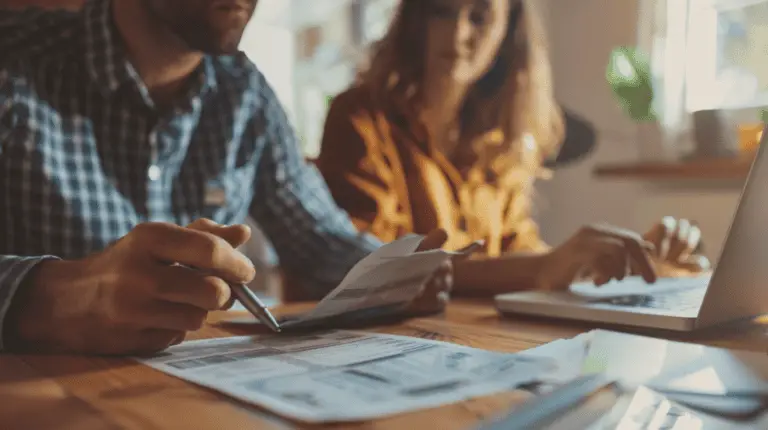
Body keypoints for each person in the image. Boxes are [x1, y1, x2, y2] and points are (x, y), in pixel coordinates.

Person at [0, 0, 456, 356]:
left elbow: (322, 242)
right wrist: (55, 298)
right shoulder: (14, 59)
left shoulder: (244, 94)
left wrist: (394, 276)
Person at [317, 0, 709, 294]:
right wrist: (544, 268)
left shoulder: (498, 138)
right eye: (440, 11)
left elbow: (516, 251)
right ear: (415, 21)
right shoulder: (360, 118)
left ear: (508, 32)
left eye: (479, 16)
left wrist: (625, 260)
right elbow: (370, 267)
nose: (456, 34)